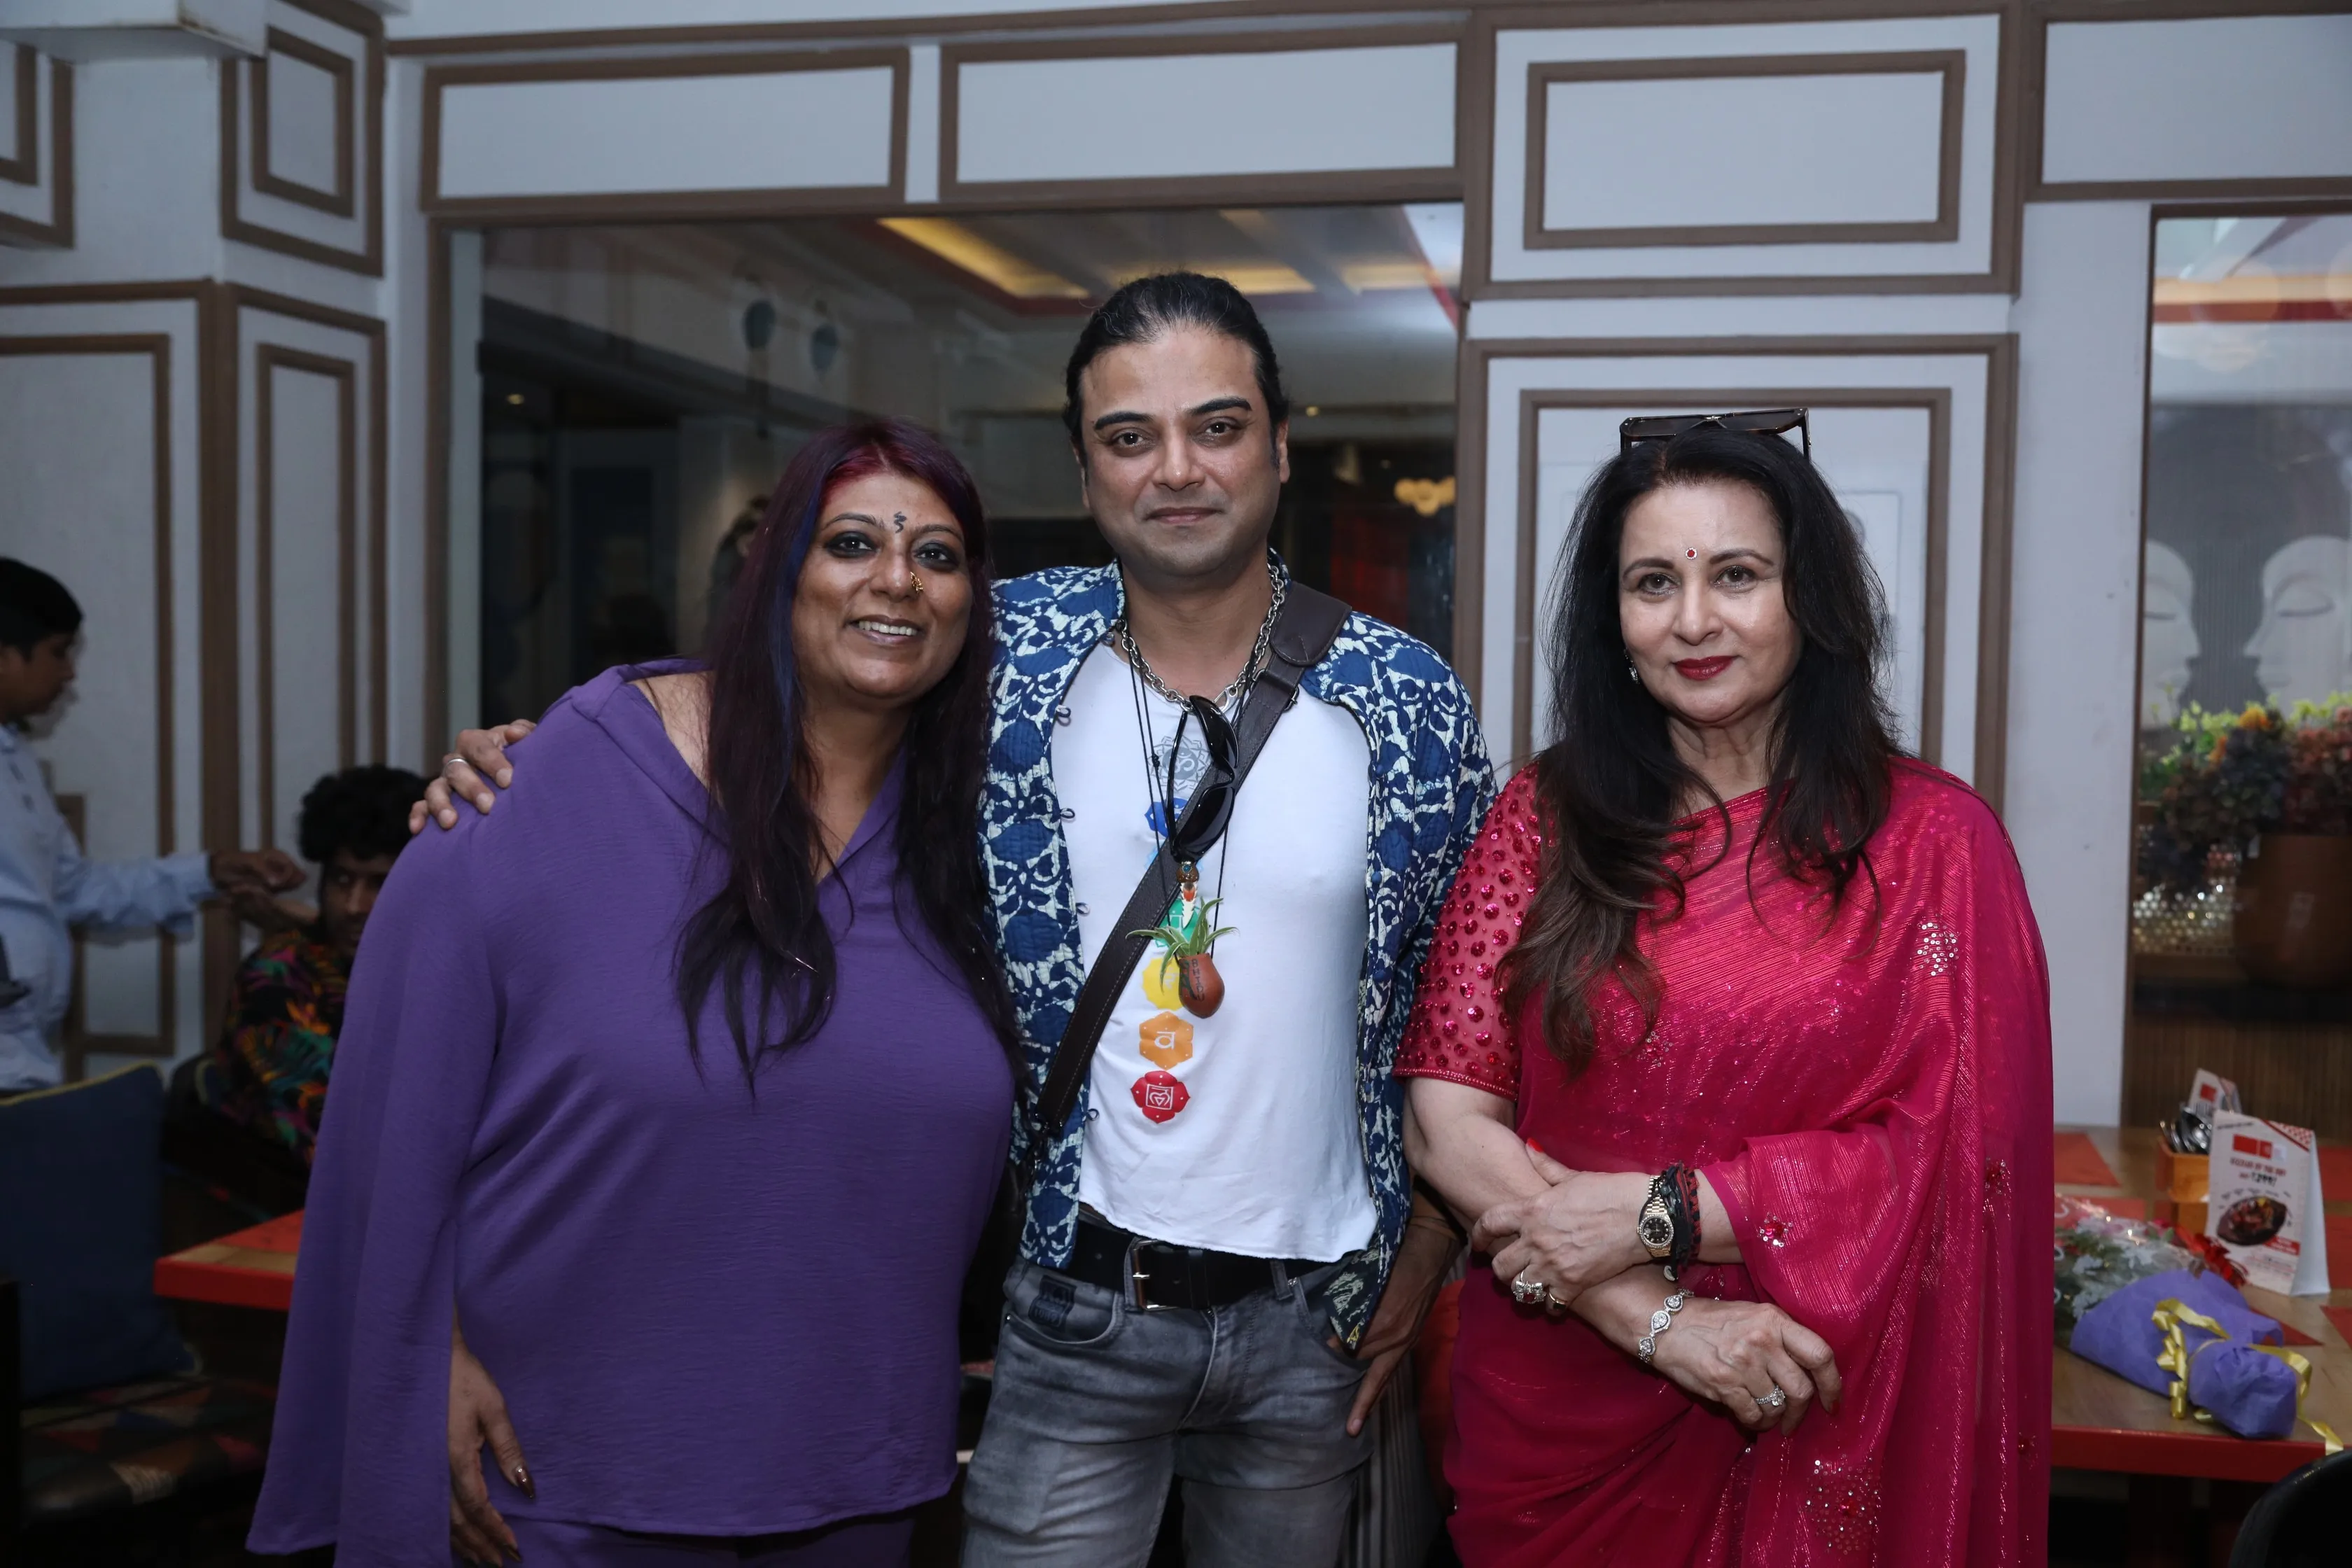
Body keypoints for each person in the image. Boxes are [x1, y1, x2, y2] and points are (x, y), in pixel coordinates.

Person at [423, 273, 1492, 1566]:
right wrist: (549, 754)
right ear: (1086, 469)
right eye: (1128, 436)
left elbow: (1476, 1004)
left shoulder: (1406, 699)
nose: (1178, 470)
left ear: (1279, 441)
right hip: (1071, 1300)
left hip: (1316, 1323)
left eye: (1216, 426)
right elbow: (781, 693)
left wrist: (1431, 1247)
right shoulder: (989, 654)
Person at [248, 421, 1021, 1568]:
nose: (896, 579)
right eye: (850, 541)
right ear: (777, 575)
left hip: (859, 1476)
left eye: (940, 555)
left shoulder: (990, 832)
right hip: (562, 1473)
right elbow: (390, 1120)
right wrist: (422, 1351)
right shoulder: (552, 789)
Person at [1398, 416, 2052, 1566]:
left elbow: (1961, 1156)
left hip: (1819, 1391)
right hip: (1557, 1412)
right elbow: (1449, 1115)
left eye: (1737, 576)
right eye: (1654, 583)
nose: (1694, 620)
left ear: (1814, 600)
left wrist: (1667, 1207)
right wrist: (1663, 1319)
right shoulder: (1543, 819)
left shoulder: (1935, 846)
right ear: (1616, 621)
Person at [0, 558, 302, 1093]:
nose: (70, 672)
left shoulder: (15, 760)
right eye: (59, 652)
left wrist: (212, 871)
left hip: (23, 1055)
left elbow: (75, 889)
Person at [203, 763, 424, 1166]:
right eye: (342, 879)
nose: (354, 906)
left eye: (380, 883)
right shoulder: (278, 979)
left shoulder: (430, 970)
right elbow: (342, 1147)